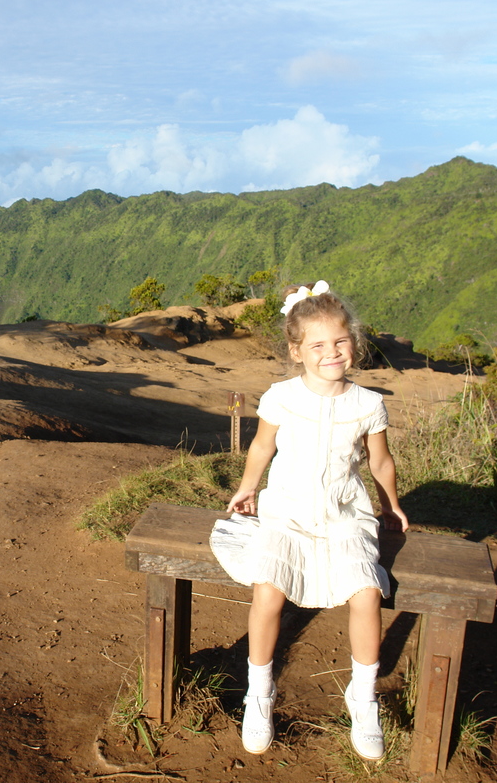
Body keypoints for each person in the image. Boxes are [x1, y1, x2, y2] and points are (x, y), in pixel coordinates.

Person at [211, 280, 408, 760]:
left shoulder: (368, 404)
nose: (332, 352)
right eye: (318, 345)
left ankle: (362, 697)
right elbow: (263, 446)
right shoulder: (281, 396)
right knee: (269, 589)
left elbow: (379, 462)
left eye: (340, 341)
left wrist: (391, 503)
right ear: (297, 351)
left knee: (366, 592)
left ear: (353, 343)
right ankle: (260, 693)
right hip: (288, 510)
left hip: (345, 514)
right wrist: (248, 487)